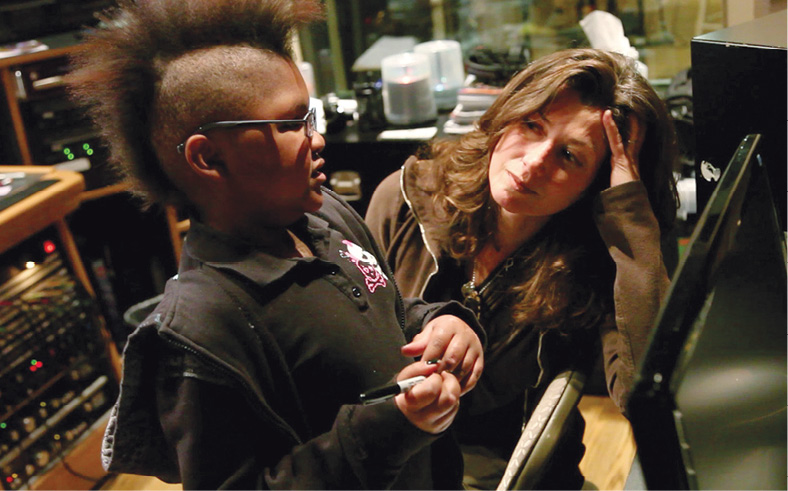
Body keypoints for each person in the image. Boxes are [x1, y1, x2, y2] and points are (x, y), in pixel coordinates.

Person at [66, 0, 485, 488]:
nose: (318, 138)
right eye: (291, 124)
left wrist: (441, 322)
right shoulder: (199, 332)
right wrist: (384, 432)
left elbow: (387, 308)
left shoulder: (325, 212)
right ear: (208, 158)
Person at [366, 48, 679, 489]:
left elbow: (641, 397)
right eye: (532, 125)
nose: (533, 162)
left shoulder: (598, 258)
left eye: (570, 156)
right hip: (396, 461)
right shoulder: (407, 196)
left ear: (598, 182)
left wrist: (630, 219)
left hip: (515, 474)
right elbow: (350, 338)